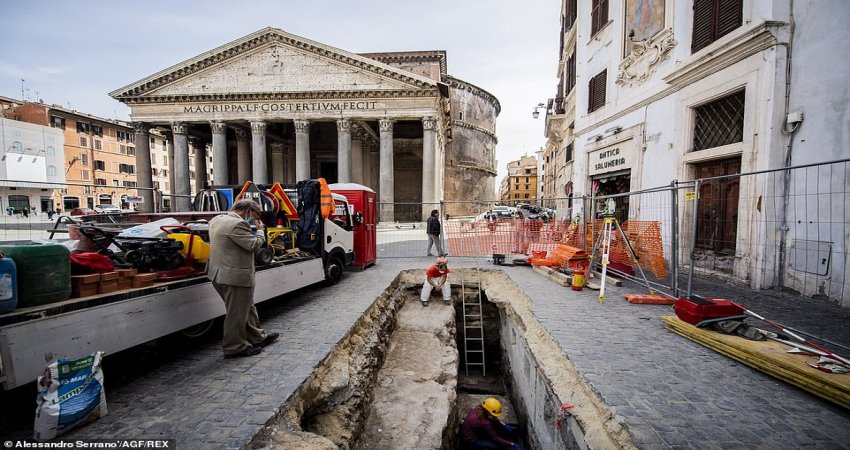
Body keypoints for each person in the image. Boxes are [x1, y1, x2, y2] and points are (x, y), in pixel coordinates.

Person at [207, 199, 279, 358]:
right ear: (247, 211)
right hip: (234, 276)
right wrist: (260, 231)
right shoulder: (238, 224)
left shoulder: (217, 219)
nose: (256, 219)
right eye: (256, 215)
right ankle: (234, 347)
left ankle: (258, 338)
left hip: (218, 273)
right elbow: (253, 245)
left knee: (247, 308)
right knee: (237, 313)